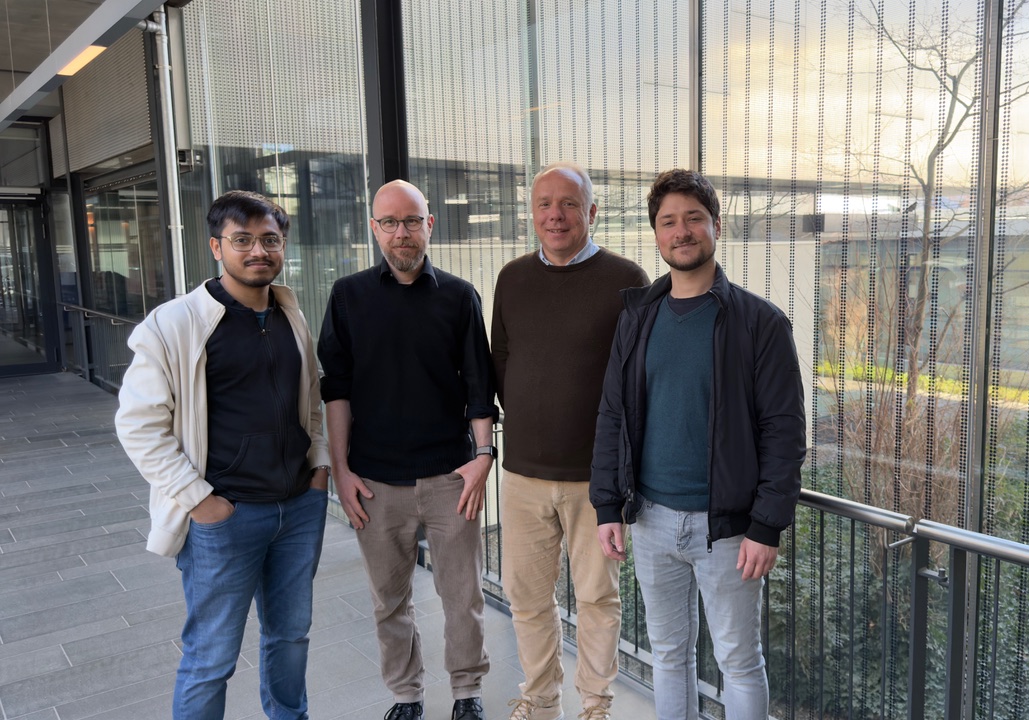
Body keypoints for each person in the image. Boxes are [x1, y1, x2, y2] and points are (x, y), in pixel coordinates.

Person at [590, 169, 806, 720]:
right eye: (668, 222)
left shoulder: (760, 323)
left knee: (738, 659)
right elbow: (612, 414)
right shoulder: (637, 318)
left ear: (715, 226)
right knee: (668, 654)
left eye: (693, 218)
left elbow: (784, 431)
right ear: (657, 235)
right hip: (652, 520)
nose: (681, 231)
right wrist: (607, 506)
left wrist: (766, 526)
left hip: (729, 530)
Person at [115, 190, 331, 719]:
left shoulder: (288, 313)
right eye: (243, 240)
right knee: (210, 658)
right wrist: (200, 500)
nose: (258, 251)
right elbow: (138, 425)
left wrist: (320, 465)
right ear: (216, 246)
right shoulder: (174, 324)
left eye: (270, 240)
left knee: (291, 639)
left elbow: (312, 399)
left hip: (298, 508)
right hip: (225, 517)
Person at [317, 179, 496, 720]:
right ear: (374, 228)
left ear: (429, 225)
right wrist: (342, 471)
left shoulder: (460, 296)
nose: (401, 232)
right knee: (388, 600)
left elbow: (478, 388)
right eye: (390, 222)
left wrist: (483, 459)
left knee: (462, 597)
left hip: (448, 477)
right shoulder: (347, 296)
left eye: (411, 221)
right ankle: (406, 696)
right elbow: (336, 390)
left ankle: (467, 693)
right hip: (374, 481)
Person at [491, 162, 648, 720]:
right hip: (522, 476)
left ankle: (595, 705)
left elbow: (638, 377)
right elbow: (502, 360)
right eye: (544, 204)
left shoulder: (628, 279)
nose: (555, 215)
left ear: (591, 212)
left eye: (569, 204)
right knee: (528, 600)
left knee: (597, 599)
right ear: (532, 213)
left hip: (595, 481)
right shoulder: (511, 278)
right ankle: (539, 699)